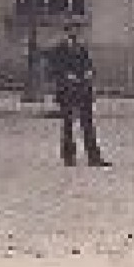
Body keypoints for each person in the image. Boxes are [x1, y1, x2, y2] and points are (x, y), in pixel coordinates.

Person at [47, 23, 110, 167]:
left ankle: (94, 157)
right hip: (67, 91)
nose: (75, 32)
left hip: (83, 91)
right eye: (72, 29)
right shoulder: (59, 49)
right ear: (66, 31)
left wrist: (89, 72)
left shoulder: (82, 49)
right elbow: (54, 69)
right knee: (68, 124)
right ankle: (68, 156)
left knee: (88, 124)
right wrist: (66, 75)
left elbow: (89, 65)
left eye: (77, 30)